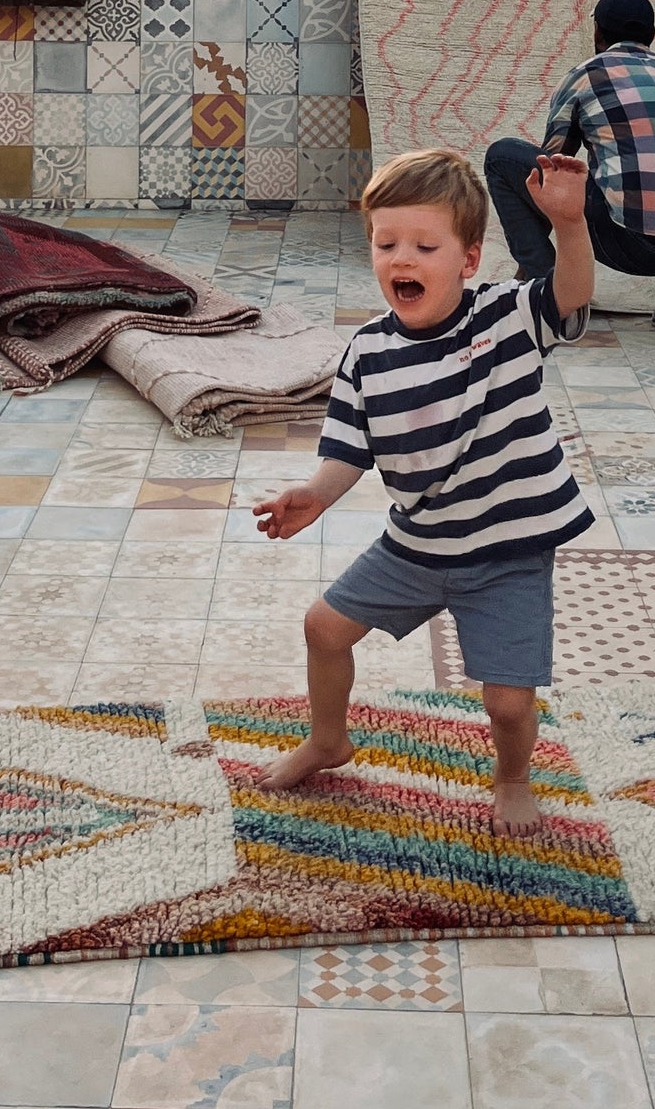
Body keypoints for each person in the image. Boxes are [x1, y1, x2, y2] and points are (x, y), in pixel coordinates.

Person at [252, 144, 594, 830]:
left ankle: (513, 778)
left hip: (507, 554)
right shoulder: (367, 352)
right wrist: (315, 494)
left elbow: (572, 292)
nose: (402, 259)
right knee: (323, 627)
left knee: (507, 702)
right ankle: (327, 739)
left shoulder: (506, 317)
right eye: (386, 244)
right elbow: (349, 448)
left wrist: (569, 224)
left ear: (469, 260)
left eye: (424, 246)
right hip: (417, 545)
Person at [484, 0, 655, 330]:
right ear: (652, 34)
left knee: (501, 157)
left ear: (597, 33)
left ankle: (551, 288)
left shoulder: (586, 75)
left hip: (624, 242)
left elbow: (552, 171)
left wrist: (530, 260)